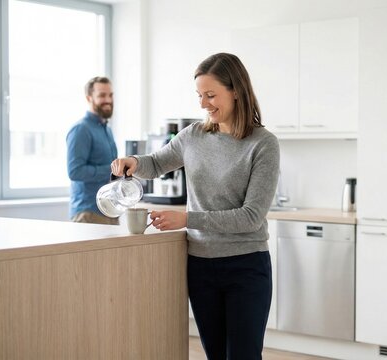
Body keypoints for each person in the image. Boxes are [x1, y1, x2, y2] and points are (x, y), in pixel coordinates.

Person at [111, 53, 280, 359]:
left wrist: (187, 219)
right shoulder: (193, 136)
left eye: (211, 95)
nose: (203, 104)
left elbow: (251, 218)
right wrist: (133, 162)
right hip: (201, 267)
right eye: (200, 96)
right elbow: (156, 163)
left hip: (246, 267)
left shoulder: (263, 144)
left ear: (236, 90)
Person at [66, 76, 119, 225]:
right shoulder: (81, 129)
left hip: (110, 211)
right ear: (89, 98)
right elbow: (75, 171)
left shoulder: (107, 130)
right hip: (88, 213)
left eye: (110, 95)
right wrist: (111, 170)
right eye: (102, 95)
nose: (108, 100)